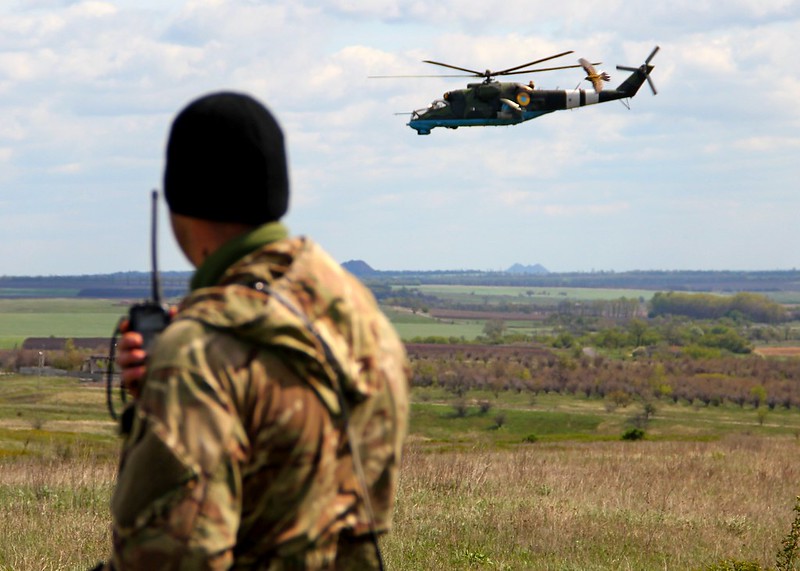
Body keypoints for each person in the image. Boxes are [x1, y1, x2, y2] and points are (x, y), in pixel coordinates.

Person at [100, 91, 410, 570]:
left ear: (180, 202)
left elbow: (173, 557)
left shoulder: (200, 354)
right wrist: (159, 400)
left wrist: (175, 388)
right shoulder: (360, 315)